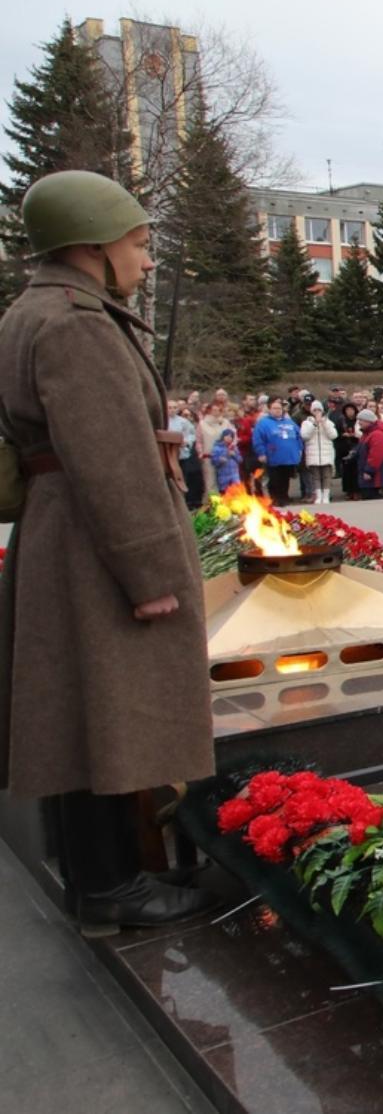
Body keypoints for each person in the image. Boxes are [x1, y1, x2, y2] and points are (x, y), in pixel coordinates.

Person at [0, 170, 216, 930]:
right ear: (92, 246)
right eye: (138, 242)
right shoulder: (77, 324)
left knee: (80, 710)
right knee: (106, 710)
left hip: (67, 532)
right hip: (96, 542)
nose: (147, 259)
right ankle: (113, 884)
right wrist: (151, 571)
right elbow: (113, 460)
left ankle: (105, 875)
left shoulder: (38, 312)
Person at [251, 395, 303, 504]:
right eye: (274, 408)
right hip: (273, 456)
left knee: (285, 478)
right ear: (270, 409)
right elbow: (257, 439)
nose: (277, 410)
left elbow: (298, 435)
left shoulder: (289, 422)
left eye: (279, 408)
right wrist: (261, 453)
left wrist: (299, 449)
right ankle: (275, 498)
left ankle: (284, 497)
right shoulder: (264, 423)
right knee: (275, 479)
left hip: (288, 457)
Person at [299, 400, 339, 504]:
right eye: (315, 410)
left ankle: (326, 495)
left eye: (319, 410)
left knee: (326, 475)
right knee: (315, 476)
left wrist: (324, 424)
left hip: (326, 452)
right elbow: (304, 436)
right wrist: (315, 424)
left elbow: (333, 435)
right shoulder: (306, 422)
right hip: (313, 452)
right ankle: (318, 495)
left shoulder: (329, 422)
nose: (317, 412)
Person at [167, 399, 203, 509]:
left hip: (182, 454)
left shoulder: (183, 422)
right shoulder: (163, 421)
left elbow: (191, 434)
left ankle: (184, 502)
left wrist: (186, 442)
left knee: (183, 477)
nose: (172, 410)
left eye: (174, 407)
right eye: (169, 407)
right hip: (168, 454)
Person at [354, 407, 383, 498]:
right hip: (370, 477)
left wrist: (369, 471)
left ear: (369, 421)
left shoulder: (377, 435)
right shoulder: (367, 434)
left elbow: (376, 455)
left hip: (376, 478)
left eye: (361, 420)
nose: (359, 423)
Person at [211, 426, 242, 492]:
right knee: (225, 494)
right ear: (223, 437)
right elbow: (214, 461)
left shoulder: (234, 447)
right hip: (223, 477)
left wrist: (234, 455)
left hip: (235, 476)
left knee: (237, 494)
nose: (229, 438)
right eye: (227, 436)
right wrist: (220, 459)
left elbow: (240, 460)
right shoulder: (217, 448)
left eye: (231, 437)